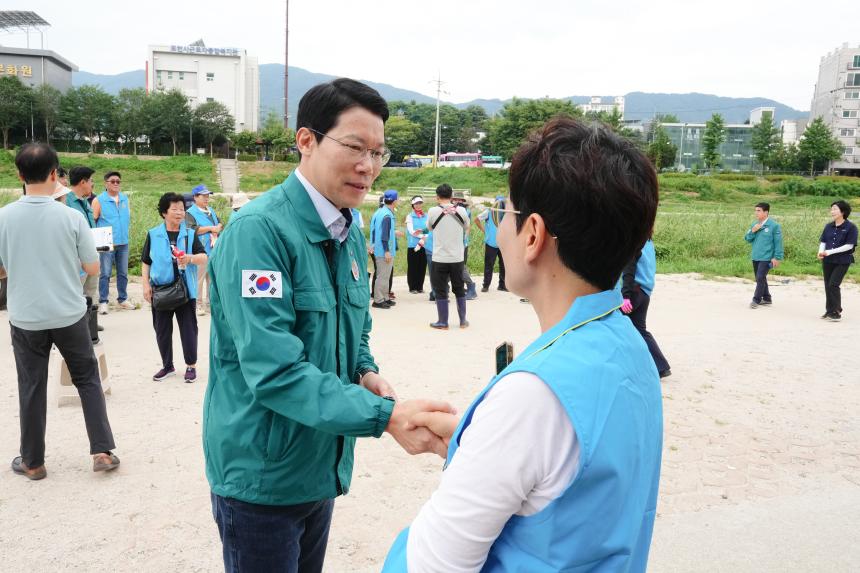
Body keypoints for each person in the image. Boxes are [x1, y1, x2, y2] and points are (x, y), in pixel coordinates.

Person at [383, 117, 663, 572]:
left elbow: (430, 564)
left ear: (532, 234)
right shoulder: (629, 346)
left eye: (505, 216)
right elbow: (573, 473)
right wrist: (480, 444)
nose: (499, 230)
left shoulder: (533, 396)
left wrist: (496, 439)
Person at [202, 78, 453, 573]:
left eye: (378, 153)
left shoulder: (348, 229)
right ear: (306, 140)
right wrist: (386, 417)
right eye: (355, 147)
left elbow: (354, 330)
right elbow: (275, 371)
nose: (368, 166)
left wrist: (365, 370)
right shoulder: (259, 233)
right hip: (262, 476)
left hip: (318, 462)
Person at [0, 143, 119, 480]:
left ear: (19, 175)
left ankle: (33, 462)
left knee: (31, 385)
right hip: (68, 313)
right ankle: (101, 452)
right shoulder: (72, 217)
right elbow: (92, 267)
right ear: (55, 174)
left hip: (26, 318)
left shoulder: (3, 217)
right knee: (87, 379)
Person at [141, 193, 207, 382]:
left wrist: (189, 258)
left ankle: (191, 366)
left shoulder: (190, 234)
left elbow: (203, 257)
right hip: (160, 290)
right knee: (162, 330)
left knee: (188, 330)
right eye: (175, 209)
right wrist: (145, 285)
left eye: (182, 209)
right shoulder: (154, 234)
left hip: (185, 290)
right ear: (164, 212)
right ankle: (167, 366)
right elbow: (146, 261)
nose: (179, 213)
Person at [621, 238, 671, 378]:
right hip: (644, 292)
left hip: (633, 293)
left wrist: (625, 296)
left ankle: (623, 366)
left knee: (613, 326)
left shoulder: (635, 242)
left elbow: (629, 268)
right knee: (640, 330)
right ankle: (661, 366)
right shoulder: (649, 242)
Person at [427, 183, 470, 329]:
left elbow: (430, 227)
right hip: (457, 257)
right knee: (459, 288)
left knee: (440, 290)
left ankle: (443, 322)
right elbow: (466, 226)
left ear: (437, 196)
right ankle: (463, 321)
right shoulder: (462, 211)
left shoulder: (432, 211)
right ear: (451, 196)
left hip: (439, 257)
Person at [93, 171, 134, 314]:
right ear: (106, 183)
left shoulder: (124, 199)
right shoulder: (99, 200)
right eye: (113, 181)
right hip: (105, 240)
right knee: (105, 273)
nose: (116, 183)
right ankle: (103, 301)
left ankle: (122, 299)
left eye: (118, 181)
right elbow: (93, 220)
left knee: (123, 272)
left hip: (123, 240)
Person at [817, 200, 857, 322]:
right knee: (827, 285)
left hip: (843, 260)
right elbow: (823, 241)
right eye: (831, 209)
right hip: (828, 260)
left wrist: (829, 252)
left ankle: (836, 311)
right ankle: (829, 310)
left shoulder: (851, 227)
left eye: (835, 209)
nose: (832, 211)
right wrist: (820, 252)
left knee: (833, 284)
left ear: (843, 212)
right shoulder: (828, 226)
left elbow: (849, 246)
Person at [185, 184, 223, 315]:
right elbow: (192, 229)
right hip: (199, 250)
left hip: (213, 249)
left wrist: (218, 227)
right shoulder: (190, 213)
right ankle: (198, 305)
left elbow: (219, 222)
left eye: (208, 196)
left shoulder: (210, 210)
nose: (206, 198)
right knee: (199, 279)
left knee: (212, 279)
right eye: (203, 196)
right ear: (195, 197)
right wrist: (211, 228)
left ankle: (211, 304)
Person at [66, 167, 99, 305]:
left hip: (92, 254)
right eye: (91, 181)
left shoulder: (85, 201)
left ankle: (91, 317)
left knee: (91, 294)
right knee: (75, 295)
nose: (92, 184)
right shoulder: (66, 201)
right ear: (83, 182)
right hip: (77, 259)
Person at [744, 202, 783, 309]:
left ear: (766, 212)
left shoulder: (774, 226)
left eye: (759, 211)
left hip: (767, 257)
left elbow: (778, 243)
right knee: (760, 278)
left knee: (760, 277)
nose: (756, 213)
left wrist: (777, 257)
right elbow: (747, 239)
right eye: (755, 210)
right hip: (756, 256)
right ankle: (767, 298)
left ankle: (756, 300)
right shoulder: (754, 224)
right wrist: (753, 231)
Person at [370, 189, 399, 309]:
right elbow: (384, 236)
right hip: (383, 251)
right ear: (395, 201)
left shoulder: (381, 212)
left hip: (379, 249)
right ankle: (378, 300)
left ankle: (385, 297)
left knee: (385, 276)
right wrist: (387, 251)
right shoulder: (387, 215)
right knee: (382, 276)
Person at [476, 195, 507, 292]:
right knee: (489, 266)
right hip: (491, 243)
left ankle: (502, 285)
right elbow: (477, 219)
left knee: (503, 265)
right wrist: (484, 231)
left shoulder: (507, 213)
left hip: (503, 244)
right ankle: (486, 285)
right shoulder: (488, 212)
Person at [453, 191, 478, 300]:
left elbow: (467, 227)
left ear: (462, 201)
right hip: (453, 242)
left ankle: (471, 287)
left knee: (460, 266)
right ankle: (461, 287)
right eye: (455, 199)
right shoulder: (451, 210)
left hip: (462, 243)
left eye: (459, 199)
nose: (457, 201)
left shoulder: (465, 211)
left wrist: (464, 239)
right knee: (456, 266)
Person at [405, 196, 429, 294]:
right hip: (413, 245)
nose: (418, 205)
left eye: (420, 203)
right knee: (413, 266)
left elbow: (428, 228)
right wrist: (422, 236)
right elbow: (411, 231)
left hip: (424, 244)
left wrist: (425, 236)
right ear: (413, 205)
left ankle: (420, 287)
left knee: (422, 266)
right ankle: (412, 287)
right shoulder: (409, 216)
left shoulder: (426, 215)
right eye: (416, 204)